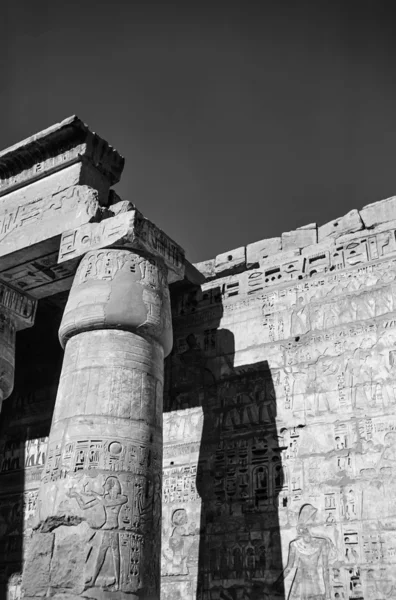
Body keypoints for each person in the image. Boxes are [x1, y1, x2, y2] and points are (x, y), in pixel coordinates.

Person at [68, 475, 127, 590]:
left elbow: (106, 503)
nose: (104, 487)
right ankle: (94, 580)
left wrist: (95, 493)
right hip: (106, 530)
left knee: (116, 556)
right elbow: (84, 506)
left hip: (114, 531)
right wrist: (76, 495)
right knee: (101, 556)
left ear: (111, 486)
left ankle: (118, 583)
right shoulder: (103, 498)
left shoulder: (121, 498)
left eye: (106, 485)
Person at [273, 504, 331, 600]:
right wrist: (277, 583)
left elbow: (326, 570)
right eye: (313, 519)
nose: (316, 522)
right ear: (306, 524)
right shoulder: (295, 545)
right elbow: (289, 567)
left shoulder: (322, 543)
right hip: (299, 584)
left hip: (315, 584)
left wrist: (328, 593)